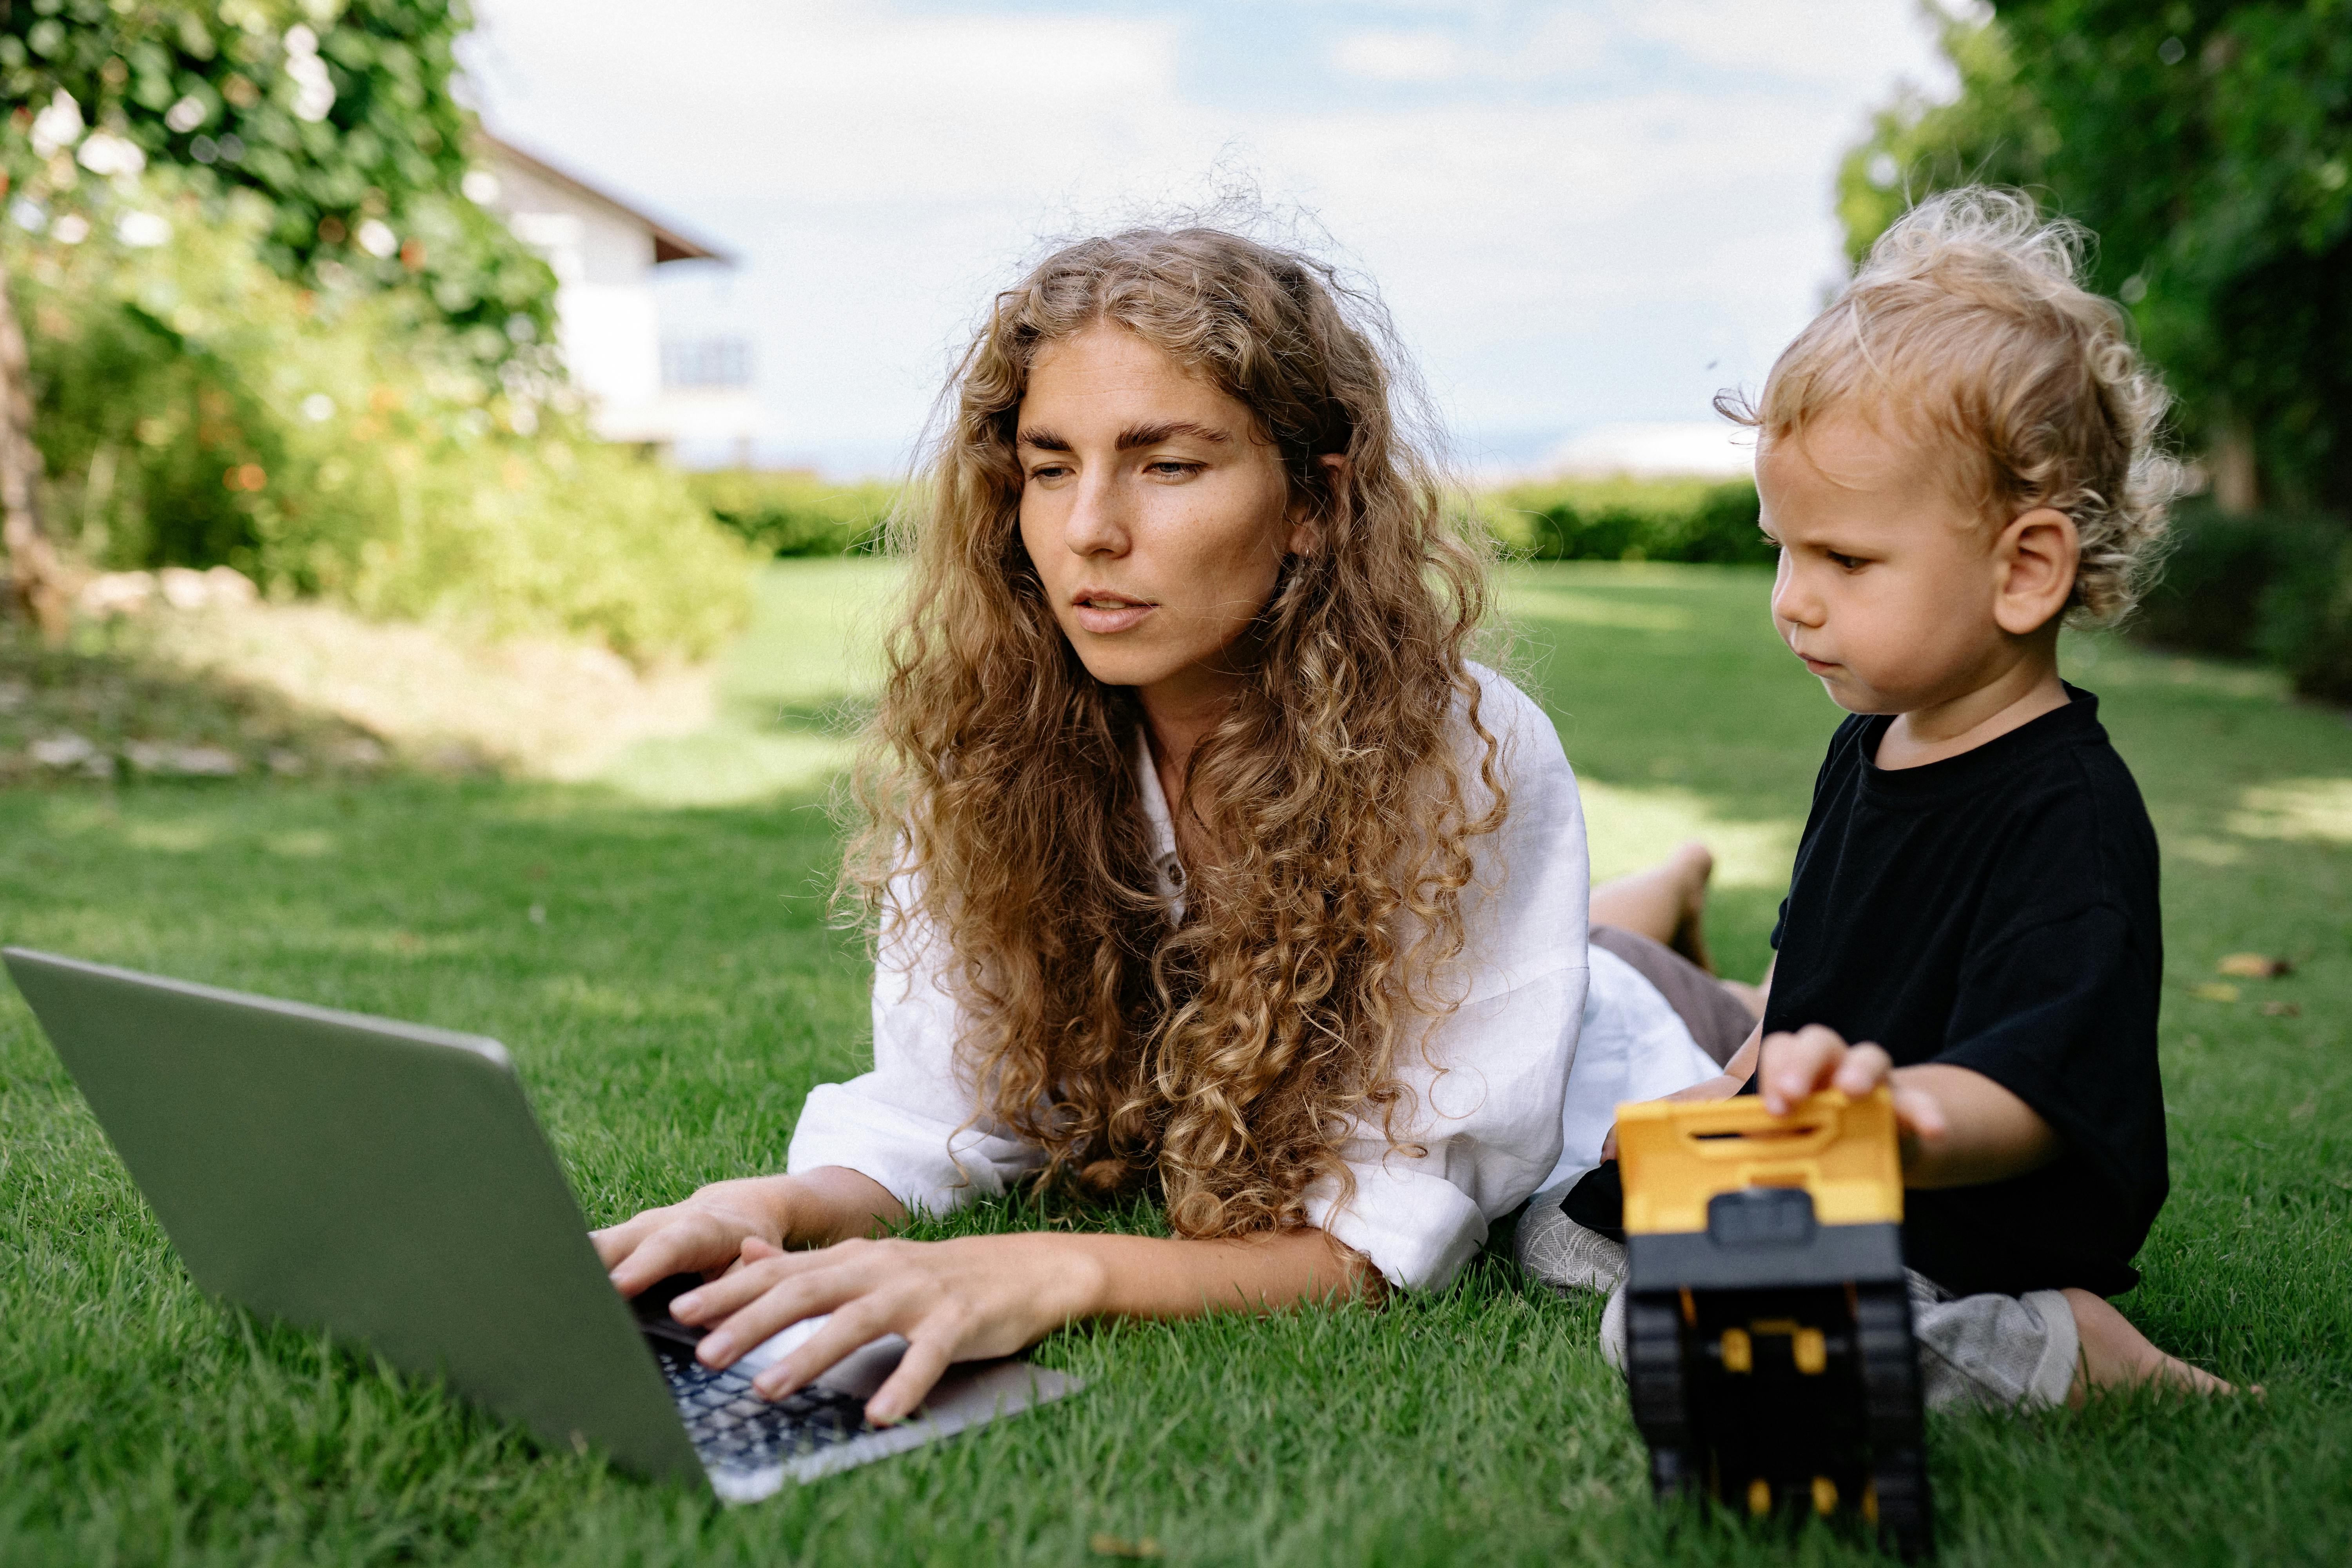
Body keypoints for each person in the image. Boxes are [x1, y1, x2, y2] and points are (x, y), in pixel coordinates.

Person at [592, 226, 1730, 1426]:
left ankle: (1667, 917)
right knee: (1603, 943)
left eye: (1167, 467)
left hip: (1604, 1043)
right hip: (1519, 960)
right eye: (1047, 466)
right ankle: (1657, 898)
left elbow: (1384, 1238)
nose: (1089, 529)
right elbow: (941, 1108)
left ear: (1314, 501)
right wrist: (769, 1205)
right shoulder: (996, 739)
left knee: (1644, 991)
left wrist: (1060, 1268)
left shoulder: (1462, 757)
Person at [1528, 189, 2240, 1409]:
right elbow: (1823, 970)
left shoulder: (2066, 814)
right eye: (1782, 548)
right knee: (1558, 1233)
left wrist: (1889, 1122)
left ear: (2024, 570)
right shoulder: (1870, 745)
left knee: (1670, 1323)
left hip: (1959, 1211)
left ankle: (2070, 1345)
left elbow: (2032, 1093)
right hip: (1822, 1170)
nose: (1793, 601)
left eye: (1845, 561)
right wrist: (1736, 1087)